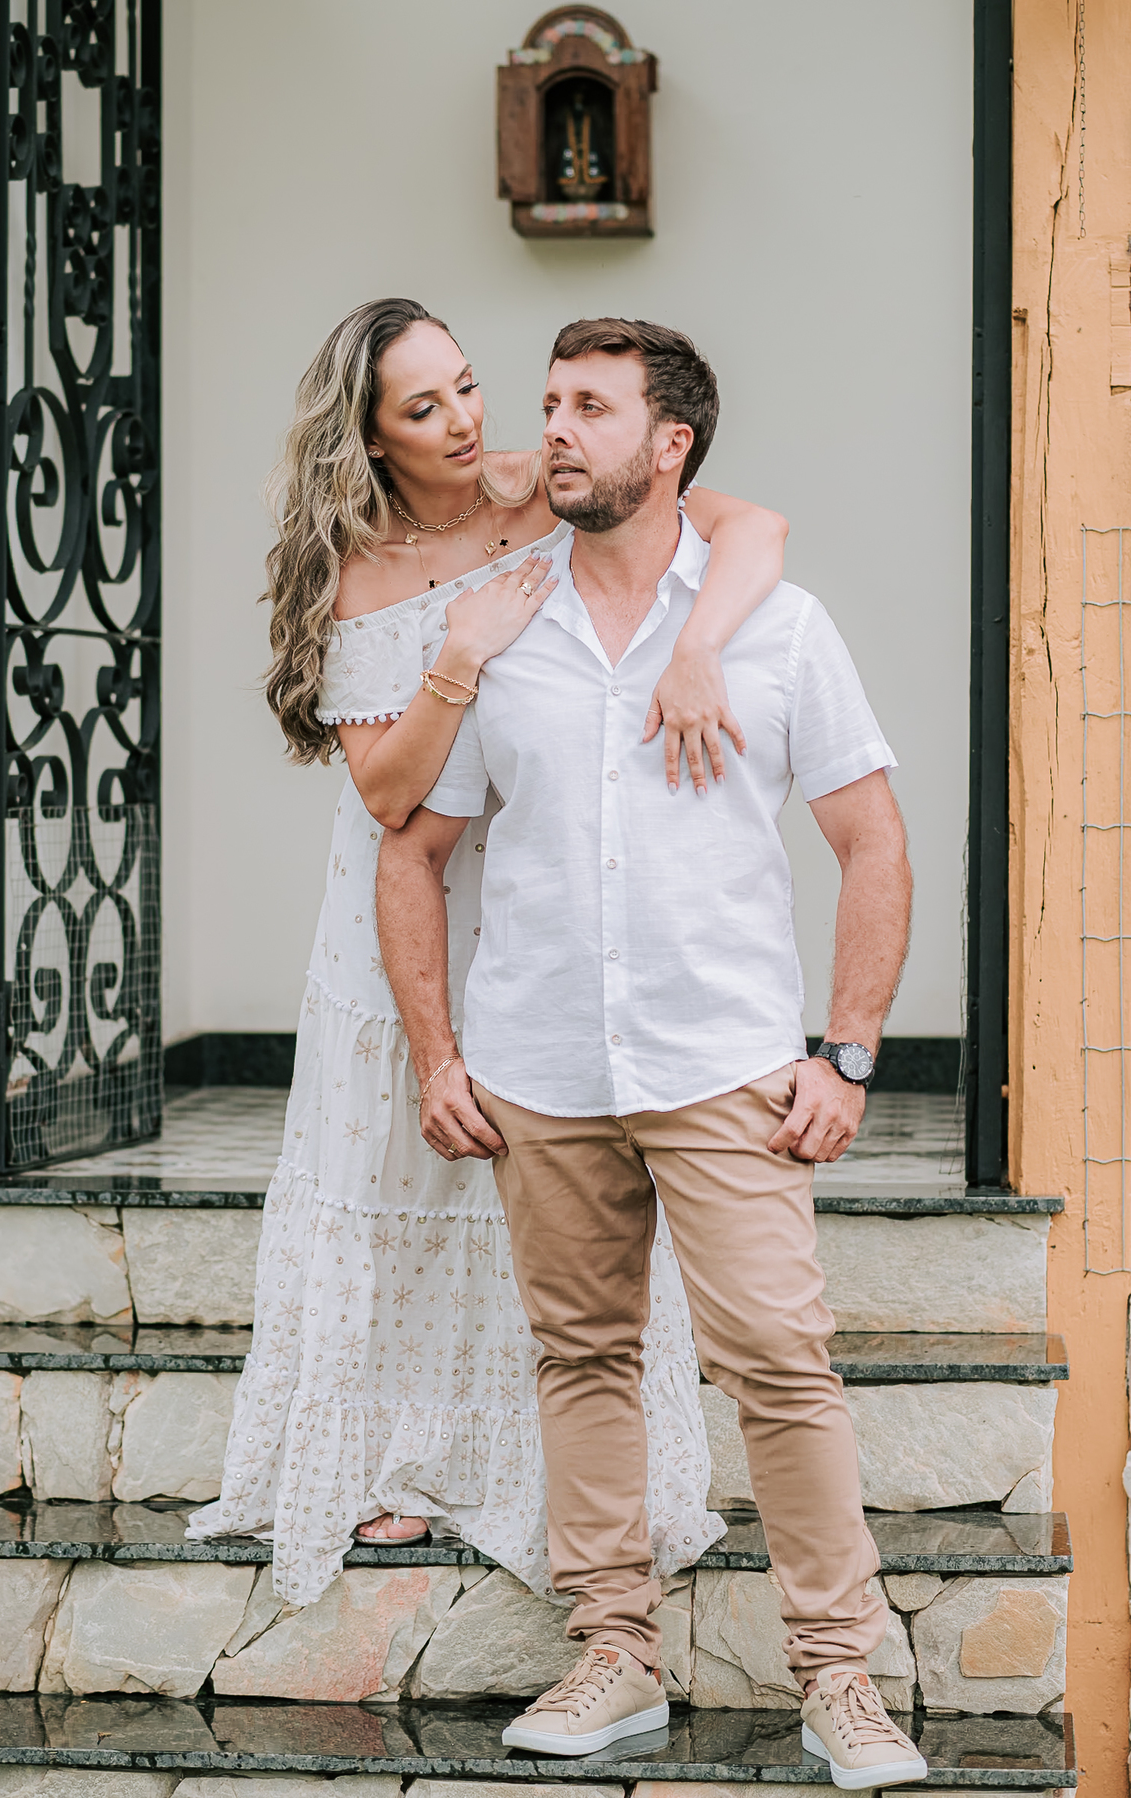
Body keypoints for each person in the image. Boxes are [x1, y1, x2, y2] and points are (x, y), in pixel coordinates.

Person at [375, 317, 926, 1791]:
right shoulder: (499, 627)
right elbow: (410, 848)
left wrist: (847, 1053)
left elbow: (873, 841)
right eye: (549, 402)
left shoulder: (777, 627)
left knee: (782, 1367)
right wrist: (438, 1053)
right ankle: (614, 1652)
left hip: (722, 1067)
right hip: (541, 1069)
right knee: (582, 1361)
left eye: (592, 408)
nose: (554, 429)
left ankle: (841, 1677)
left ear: (670, 444)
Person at [187, 298, 790, 1606]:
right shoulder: (358, 570)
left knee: (547, 1186)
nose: (466, 420)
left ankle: (550, 1457)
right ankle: (396, 1455)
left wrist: (697, 646)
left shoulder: (539, 484)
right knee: (409, 1171)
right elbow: (388, 795)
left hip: (542, 893)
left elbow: (754, 529)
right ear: (370, 438)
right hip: (403, 906)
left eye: (465, 384)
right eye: (425, 407)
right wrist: (460, 654)